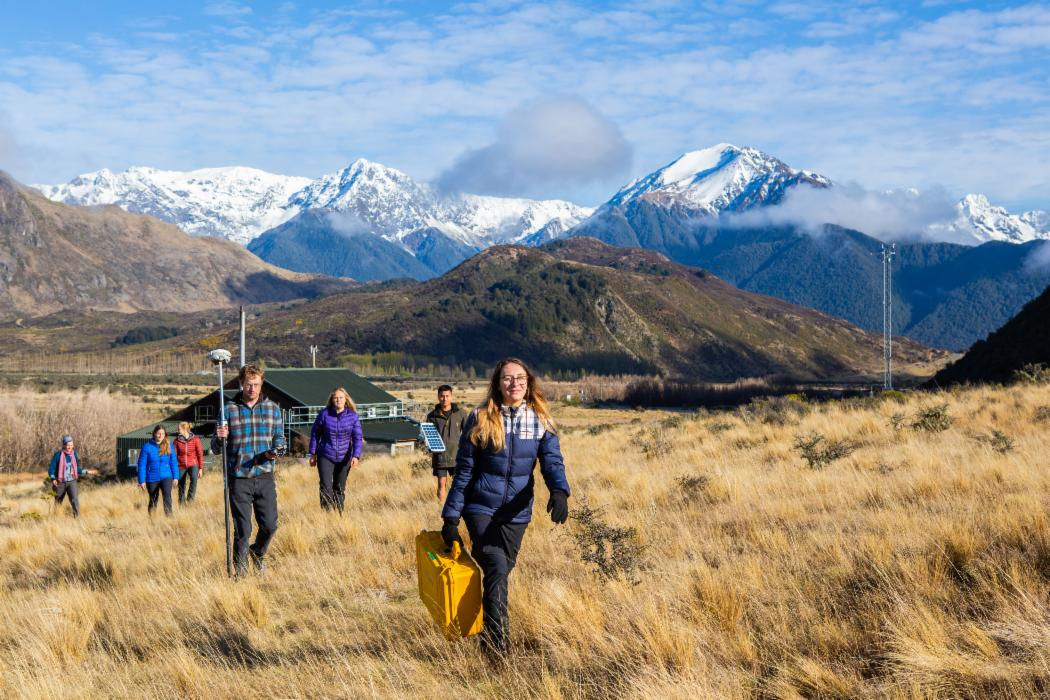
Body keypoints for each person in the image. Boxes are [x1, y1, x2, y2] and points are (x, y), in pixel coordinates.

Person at [441, 357, 571, 659]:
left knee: (501, 572)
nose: (515, 384)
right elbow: (464, 472)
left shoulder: (540, 420)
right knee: (497, 568)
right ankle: (498, 652)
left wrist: (560, 491)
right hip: (481, 509)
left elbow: (552, 461)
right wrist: (451, 518)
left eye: (521, 379)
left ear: (529, 384)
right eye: (508, 378)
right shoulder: (480, 417)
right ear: (498, 383)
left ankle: (487, 634)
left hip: (516, 513)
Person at [213, 363, 286, 576]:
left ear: (262, 384)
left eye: (256, 384)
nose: (252, 389)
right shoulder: (228, 410)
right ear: (241, 384)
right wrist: (220, 438)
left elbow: (280, 438)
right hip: (238, 478)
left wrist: (277, 451)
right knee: (242, 530)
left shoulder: (273, 409)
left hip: (264, 474)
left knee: (270, 526)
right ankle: (241, 575)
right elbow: (217, 449)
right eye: (248, 384)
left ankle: (258, 552)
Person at [308, 387, 363, 512]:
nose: (338, 400)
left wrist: (356, 455)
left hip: (345, 457)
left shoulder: (353, 417)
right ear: (332, 400)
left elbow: (357, 437)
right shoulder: (324, 414)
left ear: (346, 400)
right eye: (335, 398)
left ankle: (338, 515)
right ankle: (327, 516)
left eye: (341, 398)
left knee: (339, 487)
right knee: (326, 487)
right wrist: (313, 454)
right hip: (326, 455)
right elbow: (315, 433)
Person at [425, 385, 468, 502]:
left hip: (456, 456)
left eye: (447, 396)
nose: (445, 399)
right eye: (442, 396)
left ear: (451, 396)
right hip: (440, 456)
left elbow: (468, 434)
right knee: (441, 484)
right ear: (438, 397)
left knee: (459, 484)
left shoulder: (461, 413)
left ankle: (458, 507)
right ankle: (440, 508)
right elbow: (429, 437)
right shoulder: (432, 416)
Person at [48, 434, 97, 518]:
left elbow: (77, 469)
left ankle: (77, 518)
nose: (69, 447)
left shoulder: (74, 455)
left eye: (71, 445)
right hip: (60, 482)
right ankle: (55, 519)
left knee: (74, 500)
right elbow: (51, 468)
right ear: (64, 445)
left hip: (71, 481)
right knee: (58, 502)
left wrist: (87, 471)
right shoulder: (58, 455)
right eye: (68, 445)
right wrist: (53, 478)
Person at [138, 425, 179, 516]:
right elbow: (142, 465)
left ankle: (169, 518)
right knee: (153, 499)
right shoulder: (147, 447)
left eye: (163, 434)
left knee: (167, 496)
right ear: (154, 434)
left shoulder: (169, 446)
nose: (160, 436)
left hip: (166, 476)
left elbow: (173, 462)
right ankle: (152, 520)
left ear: (165, 435)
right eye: (158, 433)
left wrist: (176, 477)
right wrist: (142, 480)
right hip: (151, 477)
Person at [174, 422, 205, 504]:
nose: (177, 430)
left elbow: (200, 453)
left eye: (179, 429)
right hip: (181, 465)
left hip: (193, 464)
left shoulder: (195, 439)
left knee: (194, 479)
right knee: (181, 484)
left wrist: (201, 468)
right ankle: (182, 503)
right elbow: (174, 455)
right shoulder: (176, 441)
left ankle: (190, 500)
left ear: (185, 429)